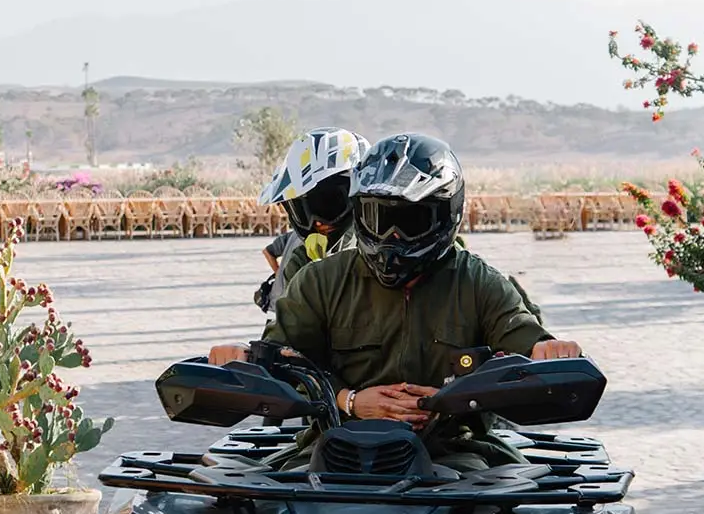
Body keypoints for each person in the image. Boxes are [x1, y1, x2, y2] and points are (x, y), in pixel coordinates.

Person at [211, 133, 581, 470]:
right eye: (379, 218)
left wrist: (546, 352)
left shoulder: (478, 282)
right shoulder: (319, 280)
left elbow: (523, 339)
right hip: (331, 451)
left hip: (455, 456)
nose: (392, 235)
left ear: (445, 215)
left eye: (411, 220)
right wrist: (348, 399)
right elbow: (281, 358)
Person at [257, 126, 369, 307]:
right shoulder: (301, 257)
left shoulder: (381, 254)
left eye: (328, 204)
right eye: (302, 209)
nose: (316, 222)